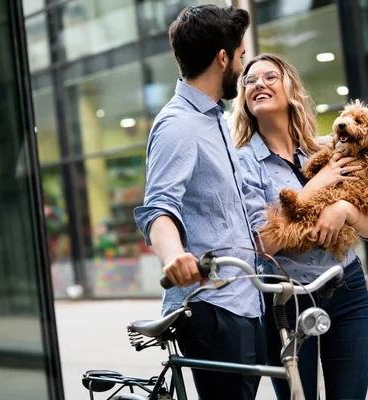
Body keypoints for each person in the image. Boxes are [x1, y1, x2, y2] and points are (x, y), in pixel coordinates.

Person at [230, 53, 368, 399]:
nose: (259, 83)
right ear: (243, 99)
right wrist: (317, 187)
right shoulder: (241, 163)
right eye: (250, 80)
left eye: (270, 77)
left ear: (291, 89)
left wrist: (345, 209)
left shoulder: (326, 149)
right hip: (285, 301)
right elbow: (261, 243)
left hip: (347, 288)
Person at [133, 5, 266, 400]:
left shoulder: (215, 121)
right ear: (222, 57)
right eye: (241, 56)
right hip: (212, 305)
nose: (242, 67)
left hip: (244, 300)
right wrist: (173, 256)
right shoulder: (179, 124)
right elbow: (158, 207)